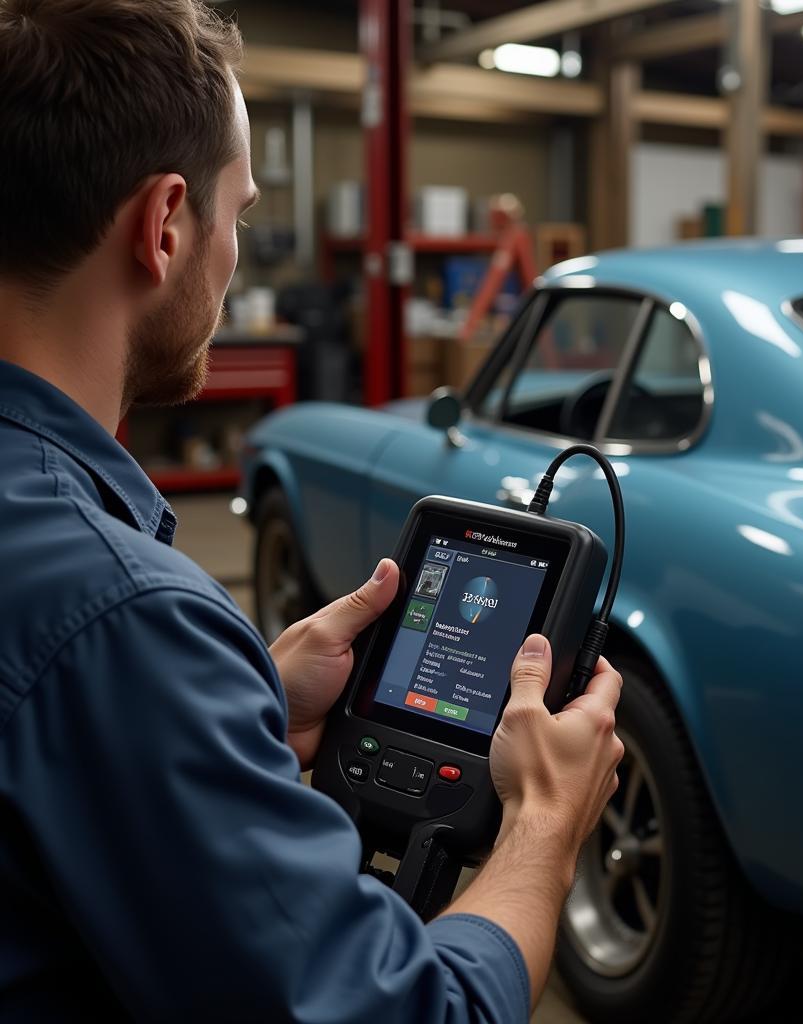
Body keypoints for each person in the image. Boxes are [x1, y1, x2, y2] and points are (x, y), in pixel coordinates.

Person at [0, 1, 624, 1021]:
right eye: (236, 214)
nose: (234, 249)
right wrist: (544, 826)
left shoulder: (109, 624)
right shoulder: (122, 619)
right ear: (164, 226)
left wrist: (231, 701)